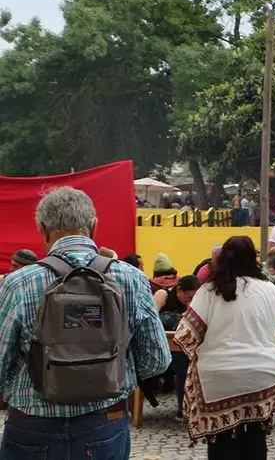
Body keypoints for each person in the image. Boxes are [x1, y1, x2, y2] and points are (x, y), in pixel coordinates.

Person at [0, 187, 171, 457]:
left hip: (33, 427)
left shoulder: (18, 283)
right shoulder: (132, 278)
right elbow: (157, 360)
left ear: (43, 230)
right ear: (93, 227)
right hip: (104, 423)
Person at [173, 235, 275, 458]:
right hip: (262, 375)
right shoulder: (269, 289)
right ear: (253, 258)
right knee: (255, 437)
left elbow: (185, 335)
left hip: (217, 379)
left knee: (221, 441)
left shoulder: (208, 291)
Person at [154, 274, 201, 418]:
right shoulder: (164, 295)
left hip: (184, 348)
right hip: (161, 350)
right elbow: (152, 317)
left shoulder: (194, 304)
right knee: (184, 363)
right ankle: (183, 408)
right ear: (179, 290)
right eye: (188, 297)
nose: (190, 301)